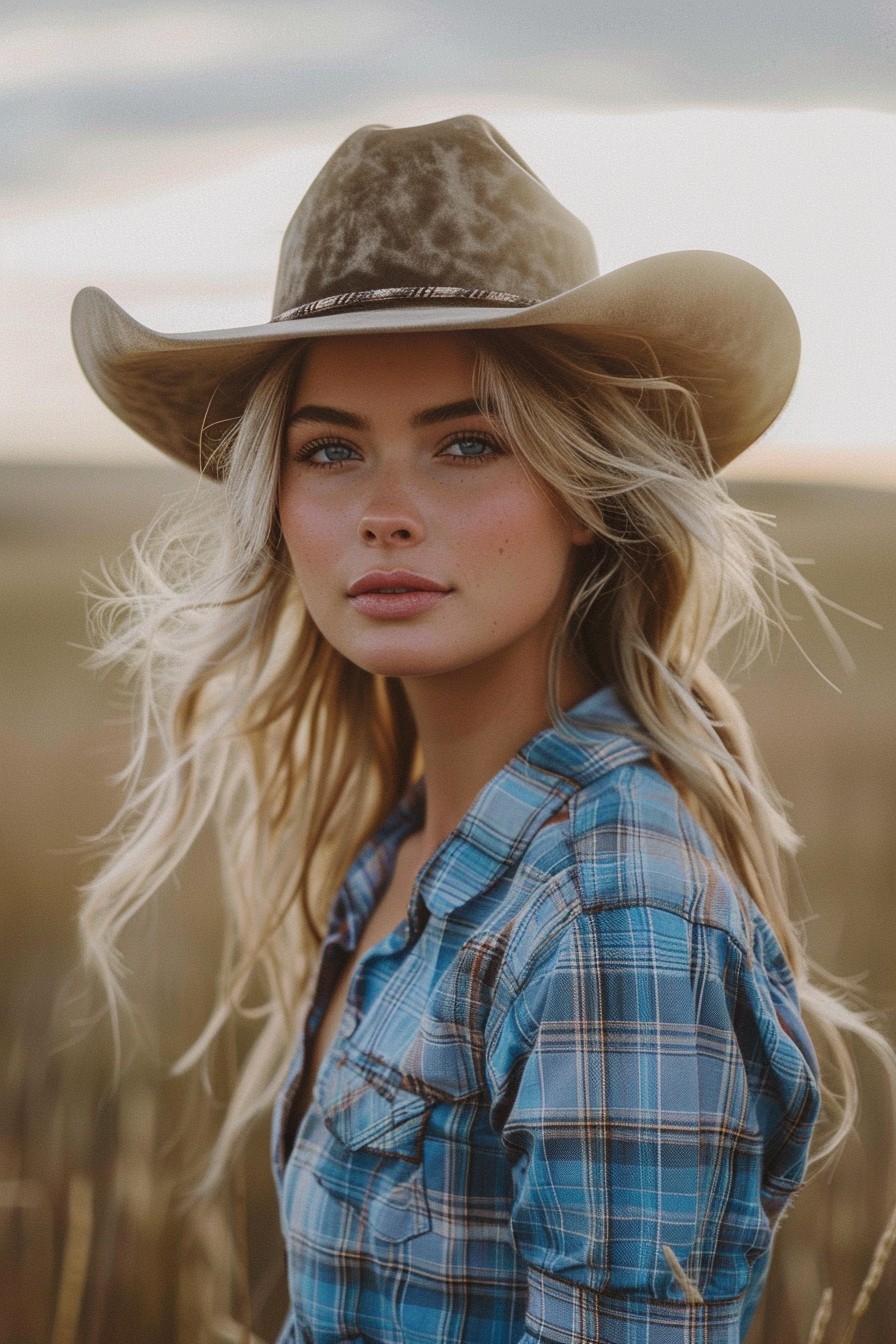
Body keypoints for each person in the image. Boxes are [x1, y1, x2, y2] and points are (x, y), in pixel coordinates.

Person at [71, 116, 887, 1343]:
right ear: (276, 501)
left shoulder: (610, 914)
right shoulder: (411, 855)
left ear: (588, 490)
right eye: (330, 449)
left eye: (464, 442)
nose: (385, 513)